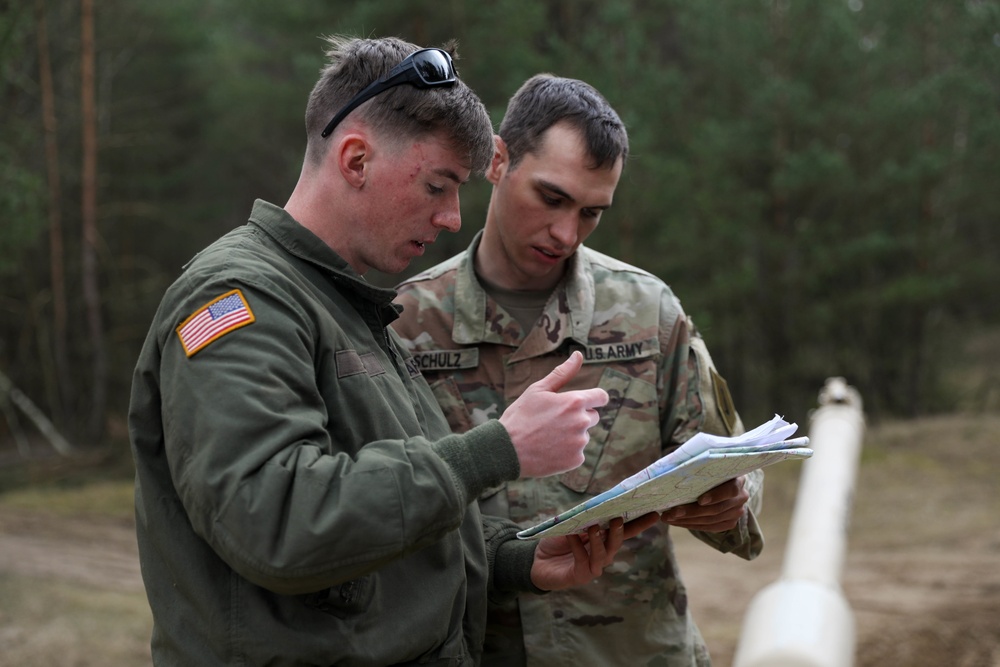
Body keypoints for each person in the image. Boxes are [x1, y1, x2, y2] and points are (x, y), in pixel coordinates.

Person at [128, 38, 659, 667]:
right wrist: (498, 450)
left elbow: (378, 534)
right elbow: (274, 520)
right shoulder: (240, 300)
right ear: (355, 159)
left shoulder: (346, 305)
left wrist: (517, 556)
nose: (454, 219)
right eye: (438, 186)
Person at [392, 74, 765, 666]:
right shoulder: (407, 326)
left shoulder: (648, 313)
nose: (567, 233)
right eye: (552, 198)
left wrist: (730, 501)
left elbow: (731, 470)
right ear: (497, 160)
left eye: (592, 212)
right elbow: (386, 520)